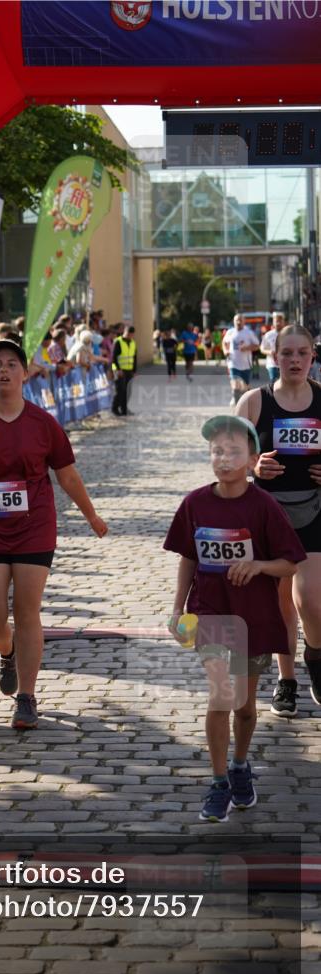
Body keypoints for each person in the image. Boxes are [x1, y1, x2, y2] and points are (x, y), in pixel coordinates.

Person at [0, 339, 109, 730]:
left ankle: (26, 696)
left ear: (25, 373)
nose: (3, 370)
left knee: (27, 611)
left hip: (35, 527)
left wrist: (91, 516)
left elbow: (67, 475)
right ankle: (5, 649)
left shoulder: (43, 423)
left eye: (12, 364)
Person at [165, 415, 305, 822]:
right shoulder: (194, 503)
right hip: (210, 613)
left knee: (243, 706)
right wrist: (177, 608)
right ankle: (218, 782)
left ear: (252, 459)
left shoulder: (264, 506)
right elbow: (188, 557)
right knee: (220, 696)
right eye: (217, 451)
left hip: (254, 619)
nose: (224, 459)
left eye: (233, 452)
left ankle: (240, 764)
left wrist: (259, 566)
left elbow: (290, 563)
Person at [236, 324, 321, 716]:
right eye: (287, 353)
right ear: (274, 356)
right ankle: (287, 681)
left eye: (302, 353)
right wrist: (254, 466)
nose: (295, 360)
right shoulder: (254, 402)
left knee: (311, 600)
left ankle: (315, 657)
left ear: (313, 357)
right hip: (269, 514)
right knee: (280, 602)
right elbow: (228, 455)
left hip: (316, 510)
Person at [222, 313, 260, 406]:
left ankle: (244, 402)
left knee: (244, 388)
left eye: (240, 320)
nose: (238, 322)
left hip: (246, 364)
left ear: (244, 321)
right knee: (235, 385)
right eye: (236, 320)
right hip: (233, 363)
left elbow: (257, 345)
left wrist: (247, 348)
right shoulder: (230, 332)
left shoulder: (249, 333)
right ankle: (236, 401)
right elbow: (224, 342)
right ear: (233, 321)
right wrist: (225, 351)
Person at [111, 325, 137, 416]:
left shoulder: (133, 343)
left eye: (131, 335)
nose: (130, 336)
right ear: (125, 332)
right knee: (120, 390)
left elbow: (134, 357)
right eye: (128, 334)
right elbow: (114, 357)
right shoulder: (118, 341)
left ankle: (124, 409)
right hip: (119, 370)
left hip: (129, 370)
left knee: (128, 391)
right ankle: (115, 408)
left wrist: (134, 371)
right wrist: (118, 369)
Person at [260, 312, 285, 383]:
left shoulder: (288, 334)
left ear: (283, 322)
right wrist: (270, 352)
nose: (278, 323)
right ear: (273, 322)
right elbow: (262, 349)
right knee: (274, 383)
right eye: (276, 321)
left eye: (280, 321)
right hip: (272, 364)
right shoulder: (268, 335)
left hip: (285, 364)